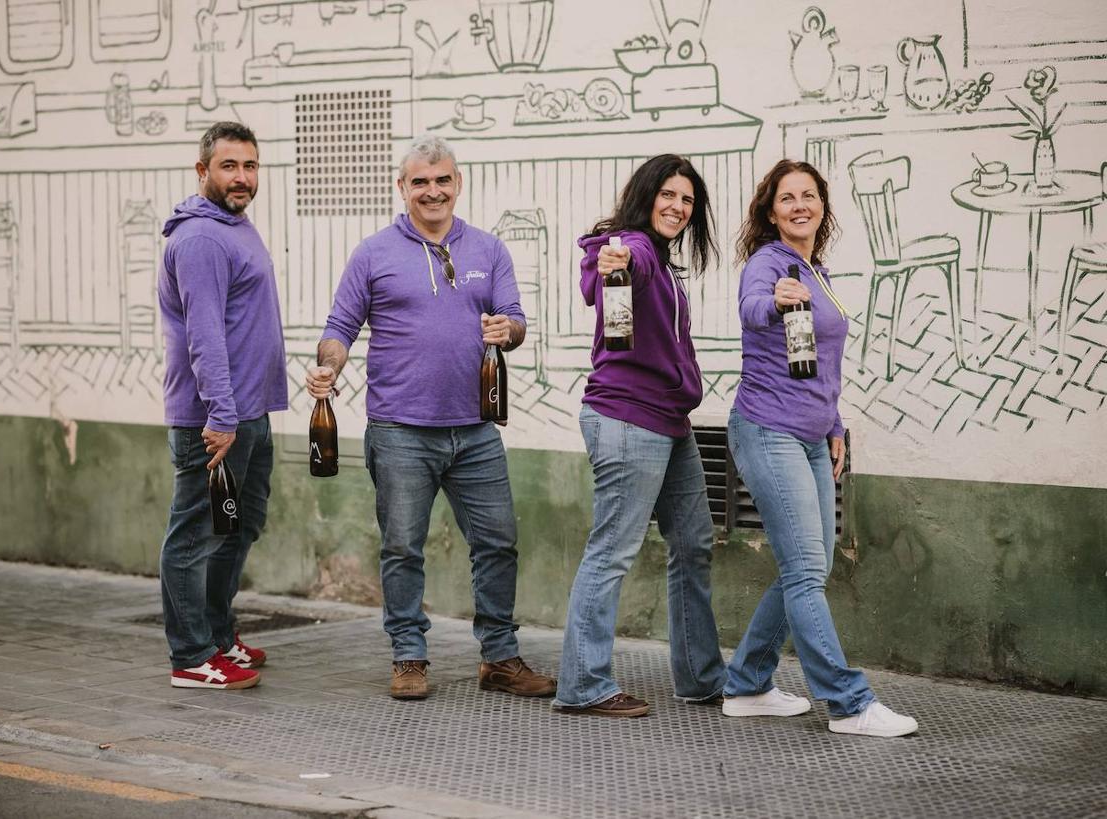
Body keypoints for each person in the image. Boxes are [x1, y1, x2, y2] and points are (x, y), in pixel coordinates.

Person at [305, 135, 556, 702]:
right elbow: (339, 328)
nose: (433, 190)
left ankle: (499, 657)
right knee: (402, 547)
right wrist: (327, 368)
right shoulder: (374, 253)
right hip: (399, 430)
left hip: (475, 430)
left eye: (442, 179)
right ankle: (409, 656)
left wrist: (507, 331)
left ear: (458, 183)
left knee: (498, 542)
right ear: (403, 188)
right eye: (420, 181)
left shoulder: (489, 250)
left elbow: (515, 320)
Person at [723, 159, 918, 737]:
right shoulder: (769, 265)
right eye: (787, 198)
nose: (800, 205)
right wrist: (778, 301)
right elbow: (752, 307)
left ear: (822, 207)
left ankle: (747, 684)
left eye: (809, 196)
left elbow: (822, 362)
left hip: (812, 434)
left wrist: (834, 421)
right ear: (771, 210)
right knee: (806, 568)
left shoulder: (818, 269)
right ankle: (849, 703)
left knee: (809, 565)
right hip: (767, 428)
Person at [554, 154, 726, 718]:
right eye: (669, 195)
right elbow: (622, 266)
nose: (678, 207)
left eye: (688, 200)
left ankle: (700, 678)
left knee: (694, 541)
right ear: (646, 195)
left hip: (669, 420)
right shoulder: (637, 247)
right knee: (613, 550)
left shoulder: (662, 255)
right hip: (628, 416)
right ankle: (583, 685)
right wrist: (617, 261)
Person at [157, 121, 288, 690]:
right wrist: (222, 416)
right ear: (202, 170)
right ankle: (191, 656)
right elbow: (204, 335)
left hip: (248, 412)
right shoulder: (201, 239)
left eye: (250, 166)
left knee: (237, 526)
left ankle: (218, 634)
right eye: (229, 166)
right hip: (216, 420)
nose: (242, 177)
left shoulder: (234, 225)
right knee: (194, 537)